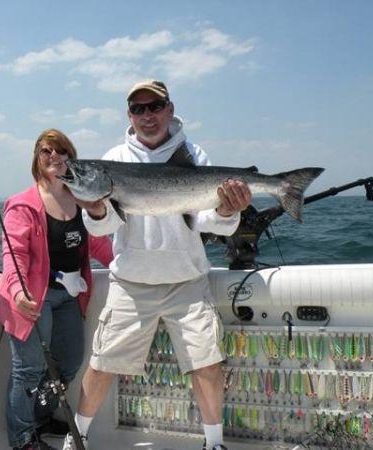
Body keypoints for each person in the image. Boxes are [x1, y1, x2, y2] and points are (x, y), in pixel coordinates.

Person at [64, 80, 252, 450]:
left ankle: (215, 444)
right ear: (129, 115)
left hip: (187, 282)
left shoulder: (194, 154)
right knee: (102, 363)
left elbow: (209, 220)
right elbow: (102, 227)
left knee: (207, 365)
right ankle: (77, 437)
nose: (147, 115)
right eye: (138, 109)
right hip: (131, 283)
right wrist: (97, 210)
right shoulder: (115, 157)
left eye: (154, 107)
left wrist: (229, 210)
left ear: (169, 109)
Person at [0, 129, 113, 450]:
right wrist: (18, 291)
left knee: (70, 362)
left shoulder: (81, 201)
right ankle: (23, 439)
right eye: (46, 151)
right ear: (37, 158)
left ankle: (41, 415)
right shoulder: (22, 204)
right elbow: (13, 253)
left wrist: (130, 266)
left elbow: (100, 245)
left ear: (71, 159)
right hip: (33, 298)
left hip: (69, 297)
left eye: (62, 151)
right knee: (29, 370)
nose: (54, 157)